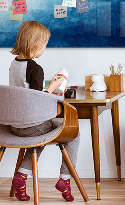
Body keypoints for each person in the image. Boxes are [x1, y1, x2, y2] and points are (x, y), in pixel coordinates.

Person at [9, 21, 79, 202]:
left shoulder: (14, 64)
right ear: (35, 44)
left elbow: (26, 93)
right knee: (74, 133)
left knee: (39, 136)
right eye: (44, 44)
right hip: (32, 125)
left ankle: (21, 177)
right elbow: (37, 100)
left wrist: (48, 88)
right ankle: (65, 179)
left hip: (15, 125)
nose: (44, 48)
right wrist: (54, 87)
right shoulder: (35, 68)